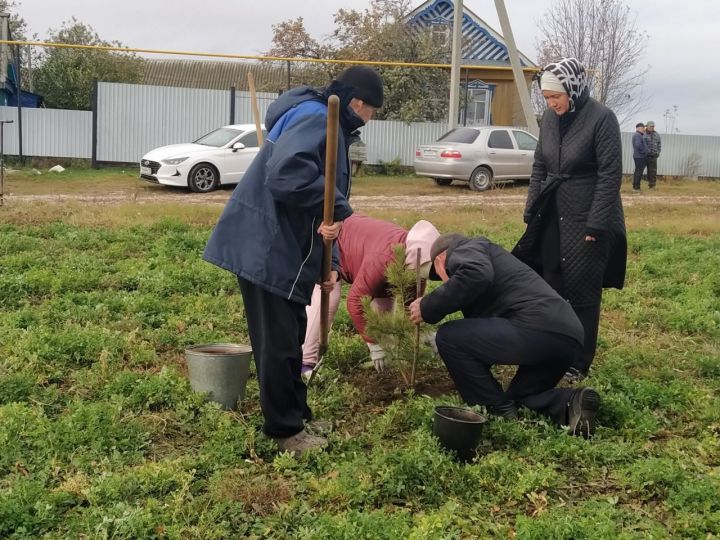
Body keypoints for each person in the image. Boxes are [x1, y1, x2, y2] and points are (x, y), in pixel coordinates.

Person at [203, 66, 383, 455]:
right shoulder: (319, 118)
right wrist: (338, 205)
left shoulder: (324, 120)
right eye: (373, 112)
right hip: (268, 247)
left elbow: (319, 208)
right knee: (278, 343)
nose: (370, 121)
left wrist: (330, 257)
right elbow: (287, 175)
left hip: (283, 247)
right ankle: (284, 431)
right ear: (358, 103)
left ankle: (296, 414)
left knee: (290, 336)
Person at [409, 234, 601, 438]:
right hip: (567, 338)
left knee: (449, 337)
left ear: (440, 259)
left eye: (438, 275)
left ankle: (495, 410)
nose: (443, 280)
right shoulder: (488, 260)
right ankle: (573, 401)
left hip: (536, 328)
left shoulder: (464, 249)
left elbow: (475, 274)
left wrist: (428, 306)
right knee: (521, 398)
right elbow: (481, 342)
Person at [512, 57, 627, 382]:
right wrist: (532, 205)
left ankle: (578, 362)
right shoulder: (549, 119)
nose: (551, 104)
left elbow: (609, 174)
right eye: (547, 98)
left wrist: (597, 223)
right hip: (552, 213)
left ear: (573, 89)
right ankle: (550, 349)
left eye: (555, 97)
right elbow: (539, 166)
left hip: (586, 214)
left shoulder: (602, 118)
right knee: (549, 283)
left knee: (584, 292)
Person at [301, 214, 440, 376]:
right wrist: (373, 344)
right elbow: (355, 301)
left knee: (382, 319)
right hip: (333, 240)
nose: (420, 280)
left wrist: (421, 332)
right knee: (329, 295)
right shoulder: (383, 257)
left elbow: (410, 306)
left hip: (371, 252)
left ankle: (387, 363)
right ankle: (305, 362)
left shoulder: (415, 260)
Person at [643, 120, 662, 189]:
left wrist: (658, 152)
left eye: (653, 126)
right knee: (640, 170)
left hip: (653, 156)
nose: (652, 127)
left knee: (653, 171)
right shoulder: (643, 134)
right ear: (647, 126)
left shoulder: (656, 134)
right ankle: (637, 186)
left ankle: (652, 185)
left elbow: (659, 144)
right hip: (644, 156)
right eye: (650, 126)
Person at [632, 122, 648, 192]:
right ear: (638, 128)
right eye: (642, 128)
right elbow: (638, 145)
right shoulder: (637, 135)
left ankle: (636, 186)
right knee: (639, 172)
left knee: (638, 171)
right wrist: (644, 152)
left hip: (639, 156)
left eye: (644, 128)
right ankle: (636, 188)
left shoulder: (639, 135)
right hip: (639, 157)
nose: (644, 129)